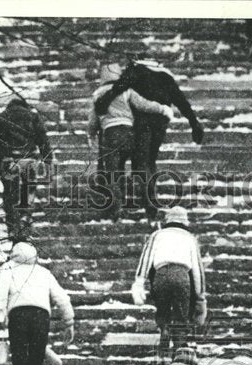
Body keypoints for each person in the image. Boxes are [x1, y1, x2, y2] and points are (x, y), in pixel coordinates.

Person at [95, 60, 204, 218]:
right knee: (149, 161)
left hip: (141, 123)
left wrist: (103, 102)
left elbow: (119, 87)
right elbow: (181, 101)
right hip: (160, 122)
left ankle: (135, 200)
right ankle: (150, 201)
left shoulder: (135, 71)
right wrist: (194, 123)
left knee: (139, 163)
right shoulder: (166, 77)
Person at [0, 242, 74, 365]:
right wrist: (69, 322)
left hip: (18, 315)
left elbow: (0, 294)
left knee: (20, 364)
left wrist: (0, 317)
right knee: (37, 359)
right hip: (41, 316)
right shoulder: (43, 273)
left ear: (13, 254)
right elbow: (62, 298)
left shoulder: (8, 268)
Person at [87, 63, 173, 221]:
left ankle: (117, 209)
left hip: (109, 135)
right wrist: (163, 109)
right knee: (140, 169)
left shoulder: (97, 94)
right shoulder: (125, 90)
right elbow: (143, 104)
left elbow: (93, 120)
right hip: (128, 133)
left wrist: (91, 134)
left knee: (113, 173)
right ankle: (148, 203)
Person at [131, 205, 207, 347]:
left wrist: (139, 282)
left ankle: (164, 330)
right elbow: (198, 270)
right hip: (182, 275)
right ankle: (179, 343)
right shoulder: (190, 238)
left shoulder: (157, 235)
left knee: (162, 307)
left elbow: (145, 260)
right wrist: (200, 296)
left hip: (161, 274)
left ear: (167, 220)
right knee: (181, 310)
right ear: (185, 222)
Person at [0, 96, 53, 239]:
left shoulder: (0, 118)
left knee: (10, 192)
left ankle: (12, 225)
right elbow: (42, 139)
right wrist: (48, 159)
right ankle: (25, 217)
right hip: (28, 158)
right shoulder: (32, 116)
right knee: (27, 188)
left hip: (8, 160)